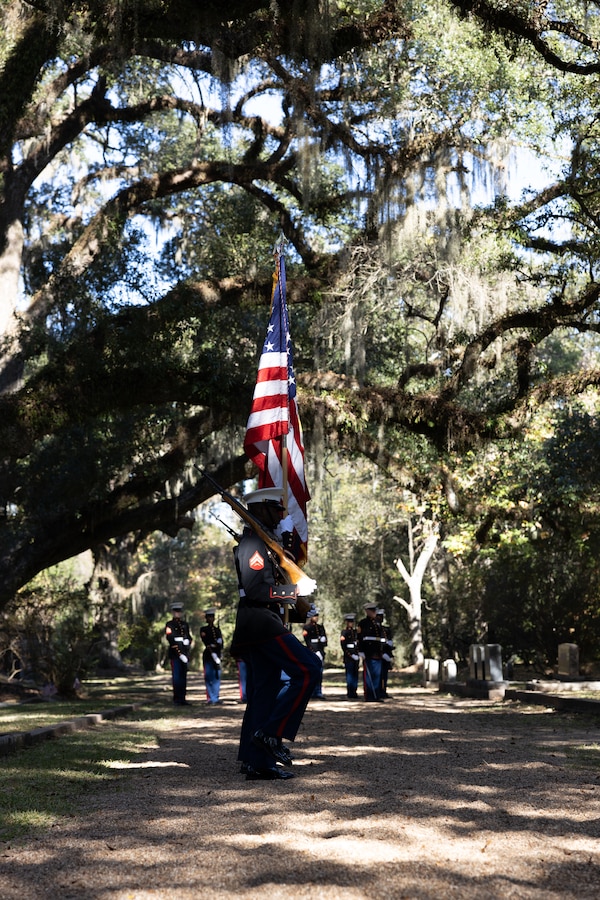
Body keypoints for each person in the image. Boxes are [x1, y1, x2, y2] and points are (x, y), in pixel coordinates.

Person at [231, 486, 320, 781]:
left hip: (263, 622)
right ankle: (270, 734)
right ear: (260, 510)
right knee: (309, 668)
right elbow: (257, 591)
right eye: (276, 511)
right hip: (259, 624)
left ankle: (257, 762)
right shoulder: (252, 544)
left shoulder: (264, 544)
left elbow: (269, 591)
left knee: (265, 692)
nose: (281, 516)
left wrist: (298, 607)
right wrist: (295, 591)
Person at [357, 601, 386, 702]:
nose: (374, 612)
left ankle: (376, 695)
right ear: (367, 611)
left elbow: (380, 640)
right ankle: (369, 696)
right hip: (368, 653)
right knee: (369, 676)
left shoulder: (377, 624)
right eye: (372, 610)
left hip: (377, 653)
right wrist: (360, 651)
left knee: (377, 676)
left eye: (375, 610)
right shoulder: (363, 623)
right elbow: (360, 638)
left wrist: (383, 651)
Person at [165, 602, 193, 705]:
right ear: (172, 612)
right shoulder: (170, 625)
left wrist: (188, 642)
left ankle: (183, 698)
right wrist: (180, 654)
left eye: (179, 611)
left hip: (185, 654)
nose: (178, 613)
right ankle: (177, 699)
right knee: (176, 677)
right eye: (176, 611)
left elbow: (189, 637)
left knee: (183, 677)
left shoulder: (185, 624)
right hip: (175, 655)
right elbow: (171, 639)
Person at [302, 609, 328, 698]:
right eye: (314, 616)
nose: (316, 618)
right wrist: (313, 650)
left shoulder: (320, 627)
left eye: (317, 616)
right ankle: (312, 692)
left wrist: (323, 642)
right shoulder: (307, 627)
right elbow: (307, 640)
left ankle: (318, 691)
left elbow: (324, 640)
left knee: (320, 673)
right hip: (312, 652)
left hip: (320, 651)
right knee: (312, 672)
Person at [200, 607, 223, 705]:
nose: (211, 619)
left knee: (217, 677)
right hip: (209, 655)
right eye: (209, 617)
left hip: (217, 654)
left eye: (212, 617)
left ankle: (216, 697)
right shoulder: (204, 629)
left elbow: (221, 643)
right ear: (206, 618)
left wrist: (219, 646)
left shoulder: (217, 630)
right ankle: (211, 698)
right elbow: (206, 642)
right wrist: (213, 652)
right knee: (209, 677)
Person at [340, 613, 360, 699]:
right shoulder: (344, 632)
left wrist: (358, 653)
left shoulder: (356, 632)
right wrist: (350, 655)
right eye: (349, 622)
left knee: (355, 675)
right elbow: (343, 646)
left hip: (356, 656)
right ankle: (350, 692)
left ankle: (354, 691)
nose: (351, 624)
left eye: (352, 622)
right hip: (349, 657)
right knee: (350, 675)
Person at [377, 608, 394, 699]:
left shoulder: (385, 629)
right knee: (378, 675)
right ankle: (378, 691)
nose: (381, 619)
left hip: (386, 655)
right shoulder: (375, 629)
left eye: (382, 617)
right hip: (379, 654)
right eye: (379, 617)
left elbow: (389, 641)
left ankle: (384, 690)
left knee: (384, 675)